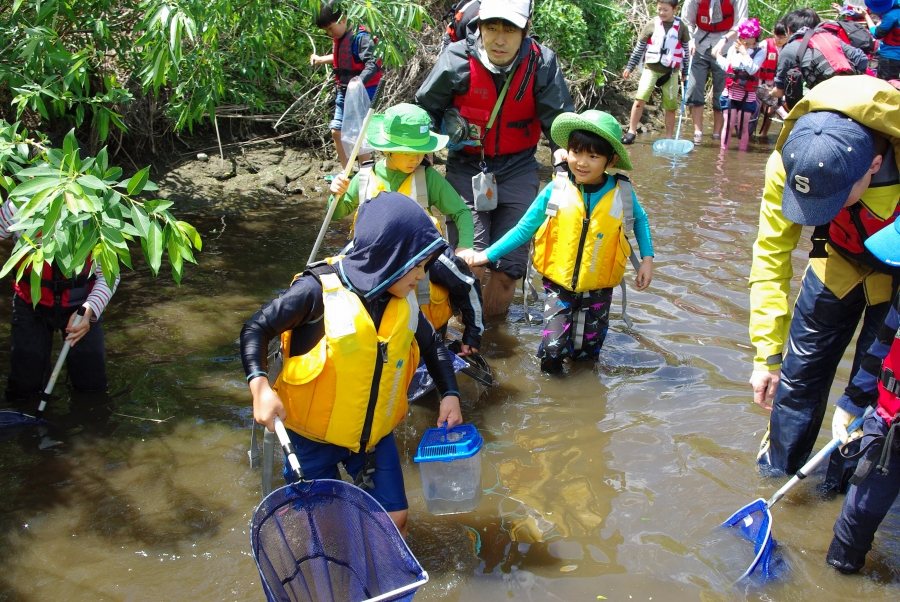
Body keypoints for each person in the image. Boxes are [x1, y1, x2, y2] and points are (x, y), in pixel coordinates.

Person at [240, 192, 463, 537]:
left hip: (373, 436)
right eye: (416, 265)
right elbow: (256, 327)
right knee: (324, 530)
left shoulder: (403, 304)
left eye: (425, 265)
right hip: (312, 436)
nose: (421, 276)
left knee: (396, 519)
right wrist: (259, 387)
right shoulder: (316, 292)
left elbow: (433, 347)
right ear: (389, 256)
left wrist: (449, 393)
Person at [748, 76, 900, 488]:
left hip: (896, 272)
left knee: (875, 398)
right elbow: (772, 255)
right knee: (797, 380)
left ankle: (842, 488)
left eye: (829, 200)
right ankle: (777, 480)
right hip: (835, 258)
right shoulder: (788, 159)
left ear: (873, 165)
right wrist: (766, 354)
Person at [415, 0, 574, 317]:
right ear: (480, 27)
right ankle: (465, 337)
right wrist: (423, 153)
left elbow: (559, 121)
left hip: (519, 167)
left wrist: (563, 155)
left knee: (507, 271)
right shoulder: (456, 59)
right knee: (468, 261)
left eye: (510, 29)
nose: (499, 39)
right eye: (491, 28)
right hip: (466, 166)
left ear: (526, 31)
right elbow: (426, 111)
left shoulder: (541, 64)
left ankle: (492, 339)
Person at [463, 110, 654, 373]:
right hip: (559, 286)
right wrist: (487, 255)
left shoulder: (622, 193)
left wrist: (646, 260)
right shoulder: (557, 189)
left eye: (593, 156)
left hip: (600, 288)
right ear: (567, 152)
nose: (582, 163)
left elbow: (640, 222)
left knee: (588, 355)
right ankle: (550, 400)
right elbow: (523, 229)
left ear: (610, 160)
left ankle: (581, 403)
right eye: (576, 152)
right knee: (553, 350)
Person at [328, 103, 485, 355]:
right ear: (386, 150)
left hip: (422, 251)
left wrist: (464, 244)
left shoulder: (429, 178)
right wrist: (336, 194)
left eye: (421, 151)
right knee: (335, 274)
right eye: (408, 151)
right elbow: (336, 213)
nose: (416, 158)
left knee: (463, 276)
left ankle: (472, 336)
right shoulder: (364, 178)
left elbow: (461, 212)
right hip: (373, 253)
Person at [826, 219, 900, 573]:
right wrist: (852, 402)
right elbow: (880, 348)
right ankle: (841, 568)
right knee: (853, 522)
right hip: (887, 428)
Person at [0, 193, 119, 401]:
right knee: (23, 390)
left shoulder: (96, 211)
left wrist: (89, 309)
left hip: (81, 306)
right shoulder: (17, 206)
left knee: (92, 389)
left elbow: (110, 275)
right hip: (30, 305)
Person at [311, 0, 382, 170]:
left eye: (330, 28)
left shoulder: (362, 37)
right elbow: (343, 58)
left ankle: (365, 173)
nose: (329, 33)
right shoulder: (341, 36)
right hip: (344, 90)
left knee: (358, 134)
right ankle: (346, 174)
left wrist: (358, 82)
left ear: (343, 19)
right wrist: (321, 59)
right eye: (325, 30)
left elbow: (373, 63)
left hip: (363, 92)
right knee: (337, 131)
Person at [621, 0, 691, 144]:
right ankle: (631, 131)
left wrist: (685, 72)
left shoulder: (681, 27)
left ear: (675, 9)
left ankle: (669, 137)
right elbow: (639, 48)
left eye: (665, 10)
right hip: (651, 69)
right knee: (640, 98)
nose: (661, 13)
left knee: (670, 106)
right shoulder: (651, 25)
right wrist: (629, 66)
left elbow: (685, 51)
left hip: (670, 72)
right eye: (659, 9)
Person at [681, 0, 749, 144]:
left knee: (722, 91)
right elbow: (687, 20)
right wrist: (690, 39)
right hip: (700, 43)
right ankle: (697, 132)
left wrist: (724, 40)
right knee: (694, 88)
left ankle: (717, 134)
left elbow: (741, 23)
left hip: (727, 45)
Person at [770, 8, 868, 109]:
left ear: (789, 29)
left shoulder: (789, 49)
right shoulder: (830, 37)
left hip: (826, 98)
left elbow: (779, 91)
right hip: (851, 88)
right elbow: (861, 58)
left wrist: (769, 93)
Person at [717, 18, 765, 151]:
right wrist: (718, 57)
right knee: (729, 124)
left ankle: (741, 154)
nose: (747, 44)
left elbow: (752, 69)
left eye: (751, 42)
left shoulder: (760, 52)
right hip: (731, 93)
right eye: (744, 41)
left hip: (748, 95)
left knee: (744, 127)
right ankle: (723, 154)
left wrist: (745, 53)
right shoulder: (734, 49)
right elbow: (731, 65)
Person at [755, 20, 786, 141]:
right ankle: (752, 131)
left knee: (771, 109)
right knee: (756, 109)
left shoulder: (787, 48)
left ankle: (763, 134)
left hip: (774, 84)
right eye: (778, 36)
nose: (779, 40)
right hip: (760, 82)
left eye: (783, 38)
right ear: (773, 33)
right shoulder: (765, 44)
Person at [868, 0, 900, 81]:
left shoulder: (891, 16)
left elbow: (877, 34)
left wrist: (866, 16)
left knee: (888, 87)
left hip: (890, 57)